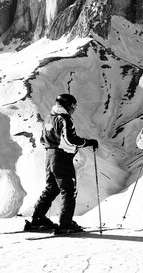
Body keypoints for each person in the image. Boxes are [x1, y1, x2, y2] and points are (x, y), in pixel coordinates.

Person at [26, 93, 99, 235]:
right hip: (62, 158)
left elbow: (42, 139)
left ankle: (37, 220)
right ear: (66, 105)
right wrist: (88, 142)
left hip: (49, 156)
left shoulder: (49, 118)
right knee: (68, 189)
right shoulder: (64, 119)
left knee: (51, 188)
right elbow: (71, 139)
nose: (73, 110)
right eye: (73, 107)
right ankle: (66, 224)